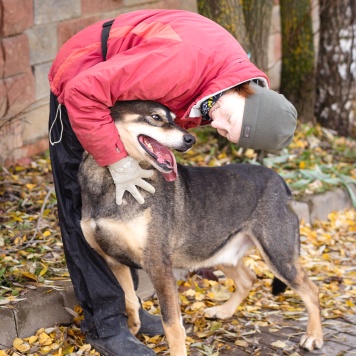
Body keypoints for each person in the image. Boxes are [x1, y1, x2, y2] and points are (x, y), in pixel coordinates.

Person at [48, 9, 297, 356]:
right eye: (227, 120)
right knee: (85, 211)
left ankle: (125, 310)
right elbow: (82, 94)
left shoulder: (228, 81)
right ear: (248, 95)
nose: (218, 126)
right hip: (81, 81)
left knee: (124, 212)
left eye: (227, 133)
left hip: (115, 90)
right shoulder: (182, 64)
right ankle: (106, 326)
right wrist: (117, 161)